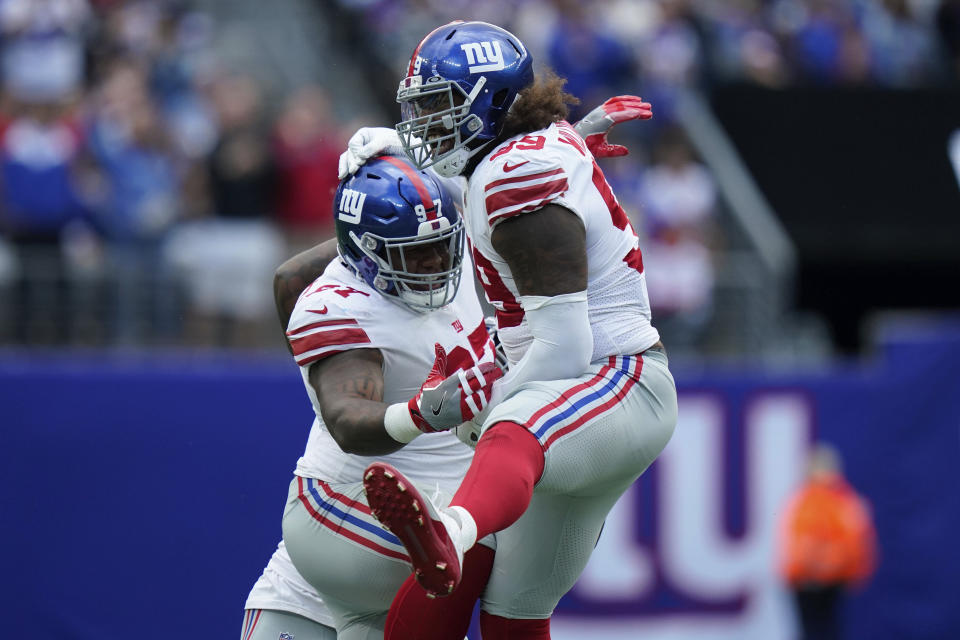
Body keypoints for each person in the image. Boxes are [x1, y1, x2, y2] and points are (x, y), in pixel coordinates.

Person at [242, 94, 654, 640]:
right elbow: (349, 421)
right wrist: (422, 412)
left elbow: (507, 185)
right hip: (349, 511)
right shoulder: (339, 303)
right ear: (365, 252)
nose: (437, 263)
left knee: (491, 528)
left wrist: (567, 146)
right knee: (482, 538)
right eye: (415, 254)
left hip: (429, 520)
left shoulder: (450, 248)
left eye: (441, 244)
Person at [351, 20, 678, 640]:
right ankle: (459, 532)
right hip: (586, 389)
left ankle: (450, 530)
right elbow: (536, 166)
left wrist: (483, 406)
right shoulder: (523, 155)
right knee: (514, 615)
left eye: (439, 107)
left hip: (614, 380)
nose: (426, 124)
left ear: (492, 104)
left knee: (509, 428)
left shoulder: (517, 175)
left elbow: (565, 347)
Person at [778, 443, 877, 640]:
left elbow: (856, 543)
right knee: (815, 631)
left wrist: (841, 569)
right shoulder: (807, 502)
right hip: (810, 582)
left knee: (824, 631)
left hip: (829, 582)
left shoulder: (841, 502)